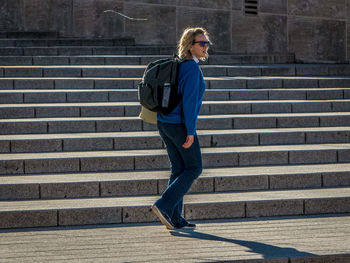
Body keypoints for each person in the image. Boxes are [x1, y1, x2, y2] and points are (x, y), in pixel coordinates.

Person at [151, 27, 211, 230]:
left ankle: (175, 218)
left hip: (165, 122)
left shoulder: (180, 64)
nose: (205, 47)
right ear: (189, 46)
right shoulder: (192, 69)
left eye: (207, 43)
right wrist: (190, 132)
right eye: (201, 43)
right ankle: (163, 205)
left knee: (178, 168)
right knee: (194, 168)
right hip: (178, 125)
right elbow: (189, 103)